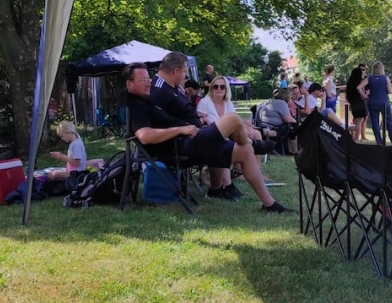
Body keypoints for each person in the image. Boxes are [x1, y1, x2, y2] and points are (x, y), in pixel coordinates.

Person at [124, 61, 289, 213]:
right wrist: (182, 129)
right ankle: (254, 143)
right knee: (232, 119)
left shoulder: (148, 100)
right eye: (143, 80)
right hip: (178, 148)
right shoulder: (135, 104)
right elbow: (144, 136)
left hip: (189, 140)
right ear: (129, 84)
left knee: (245, 151)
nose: (149, 82)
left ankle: (270, 204)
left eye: (148, 78)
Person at [196, 75, 245, 200]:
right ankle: (228, 185)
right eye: (215, 86)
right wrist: (207, 120)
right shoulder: (205, 102)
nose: (218, 89)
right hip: (209, 138)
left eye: (222, 87)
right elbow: (199, 122)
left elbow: (235, 122)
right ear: (211, 88)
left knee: (251, 137)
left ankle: (242, 173)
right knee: (225, 145)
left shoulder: (228, 103)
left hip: (227, 135)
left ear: (226, 89)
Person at [359, 61, 392, 145]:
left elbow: (359, 87)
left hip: (372, 102)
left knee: (375, 122)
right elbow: (390, 91)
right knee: (389, 121)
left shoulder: (369, 78)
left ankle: (379, 141)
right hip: (384, 102)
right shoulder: (385, 78)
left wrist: (364, 96)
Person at [345, 63, 368, 141]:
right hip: (360, 103)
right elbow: (362, 94)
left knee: (356, 121)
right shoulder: (359, 83)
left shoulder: (350, 84)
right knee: (359, 123)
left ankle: (353, 136)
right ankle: (356, 138)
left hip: (353, 104)